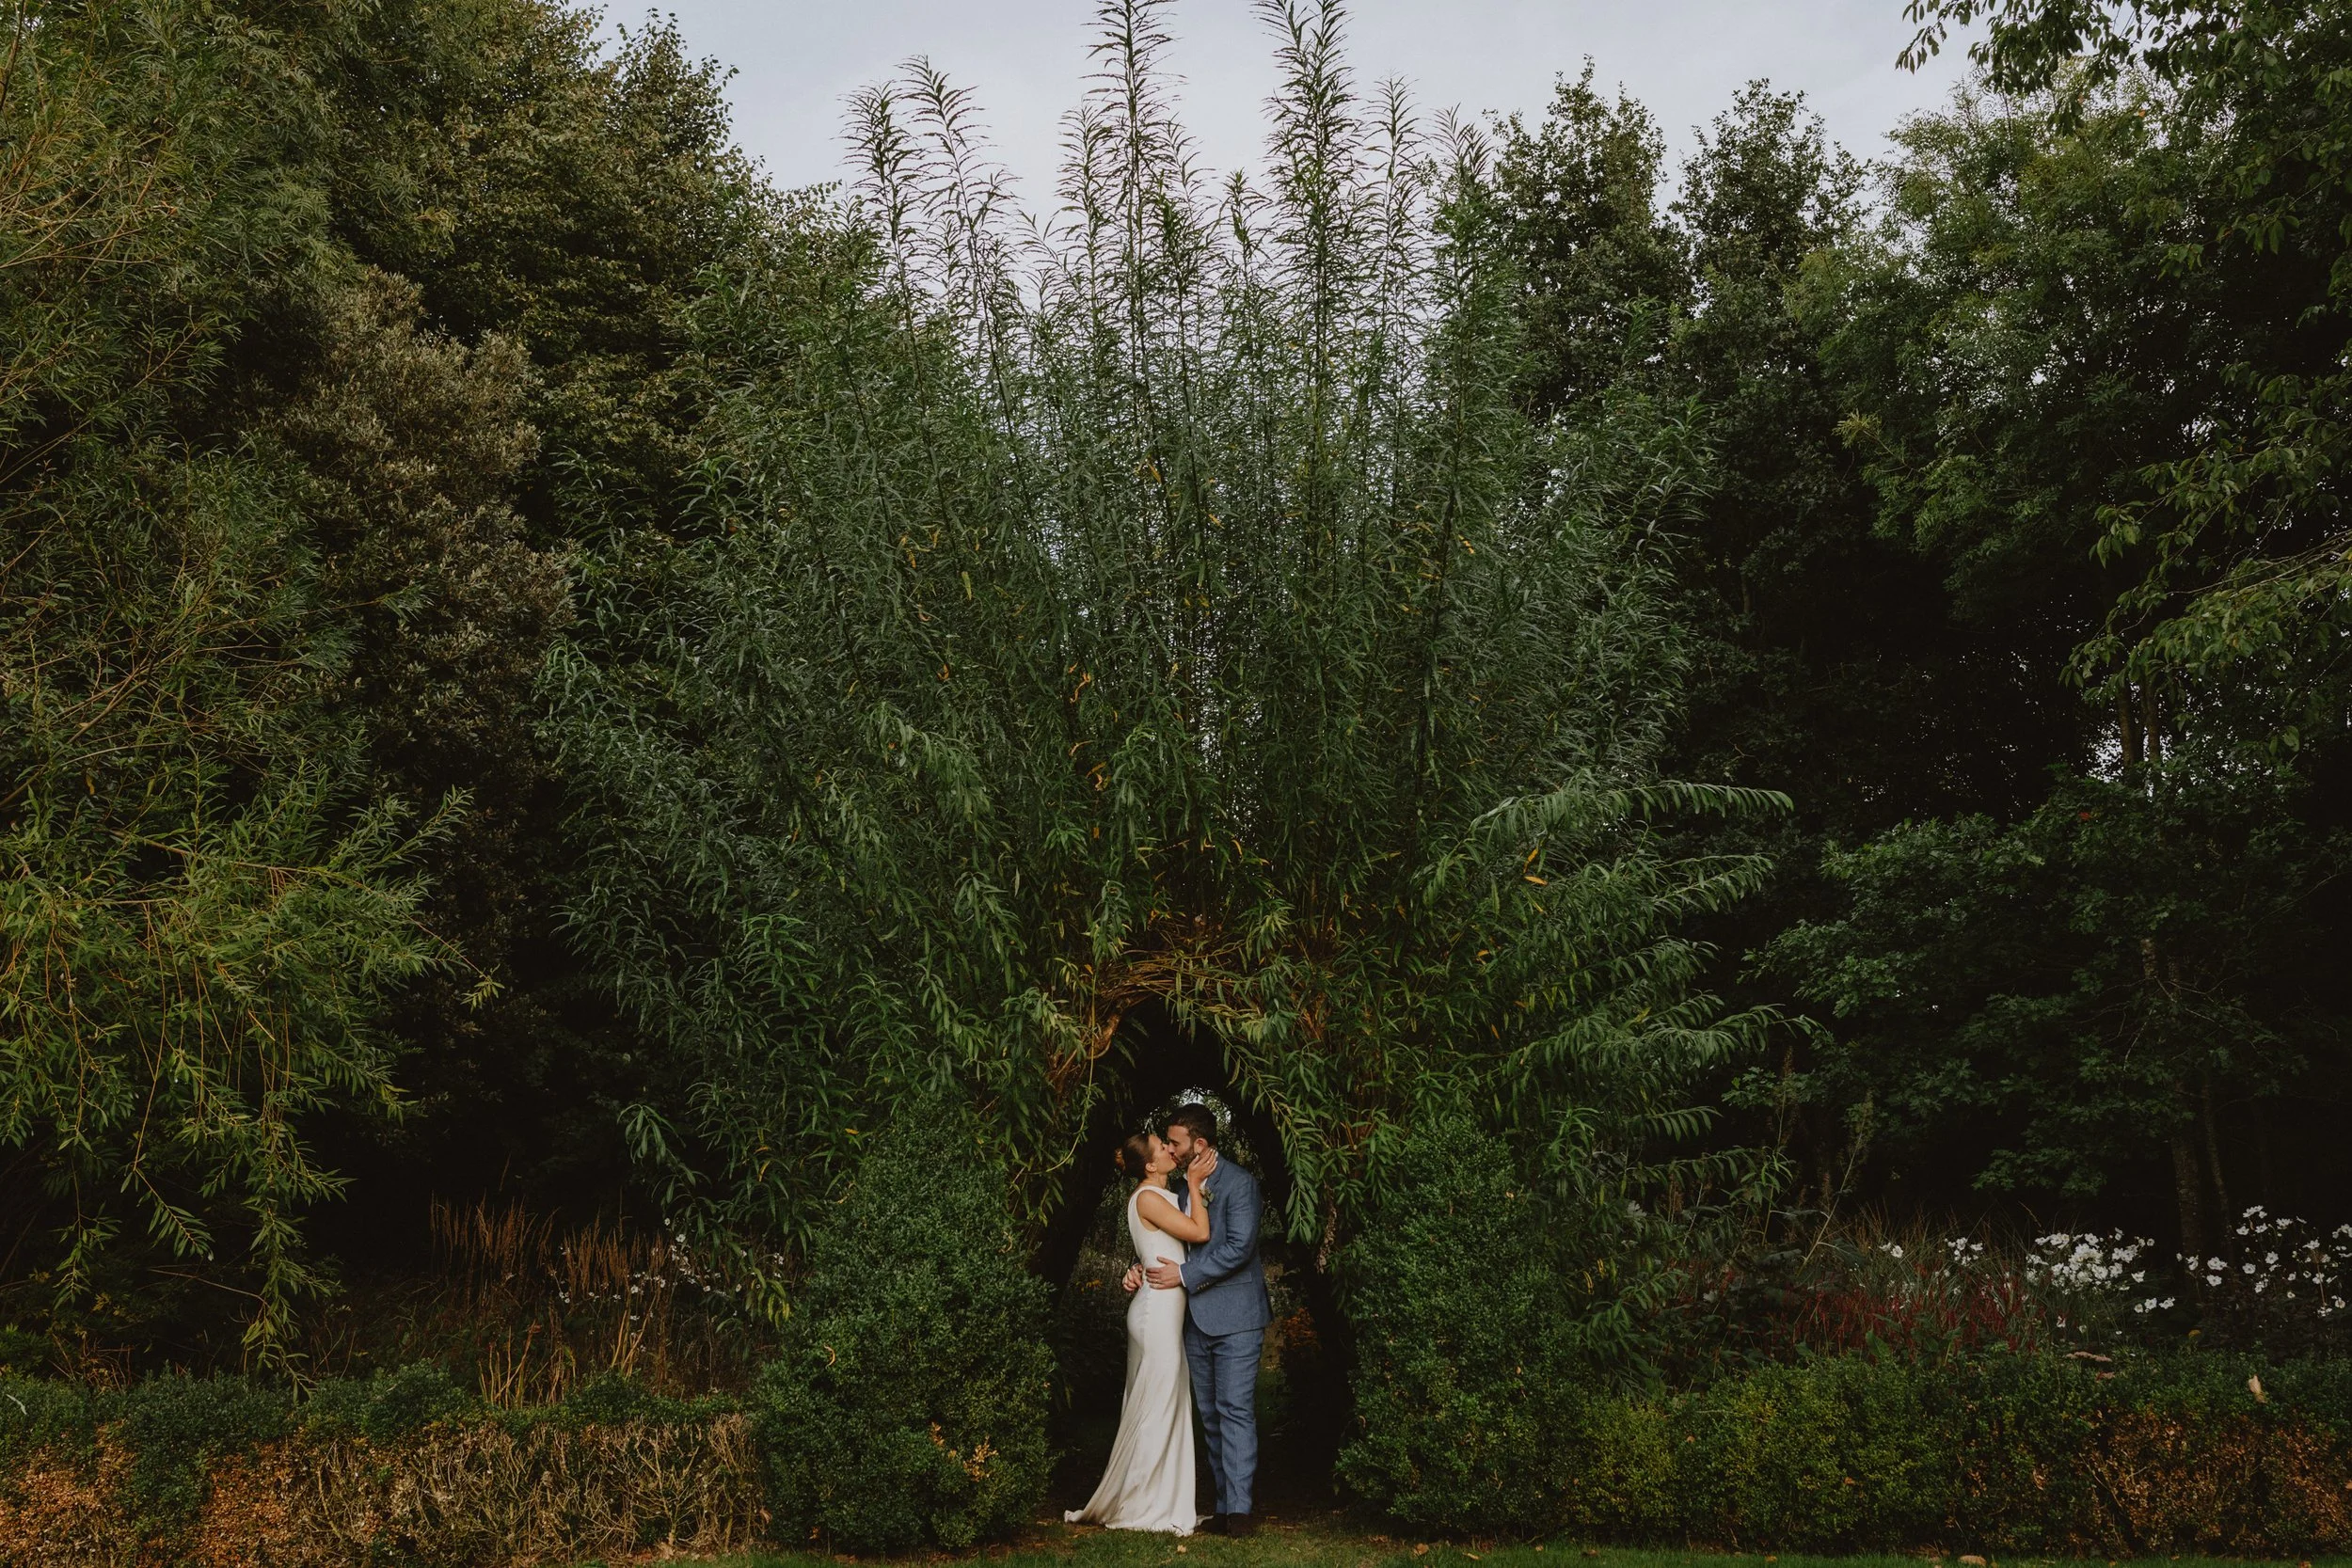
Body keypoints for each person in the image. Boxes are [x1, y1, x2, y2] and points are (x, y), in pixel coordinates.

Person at [1125, 1103, 1268, 1537]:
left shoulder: (1240, 1184)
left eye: (1175, 1142)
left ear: (1199, 1144)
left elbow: (1239, 1248)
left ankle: (1241, 1513)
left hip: (1237, 1316)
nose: (1169, 1148)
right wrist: (1136, 1266)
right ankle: (1223, 1508)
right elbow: (1165, 1236)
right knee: (1209, 1414)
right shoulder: (1181, 1187)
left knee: (1235, 1409)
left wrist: (1184, 1275)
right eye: (1165, 1143)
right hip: (1192, 1319)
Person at [1064, 1128, 1212, 1534]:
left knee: (1162, 1405)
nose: (1169, 1147)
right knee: (1155, 1408)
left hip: (1161, 1310)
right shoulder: (1147, 1196)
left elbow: (1159, 1249)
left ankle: (1161, 1498)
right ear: (1150, 1164)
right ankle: (1141, 1504)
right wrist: (1197, 1186)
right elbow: (1199, 1232)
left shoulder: (1160, 1196)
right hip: (1155, 1314)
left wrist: (1136, 1269)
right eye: (1162, 1146)